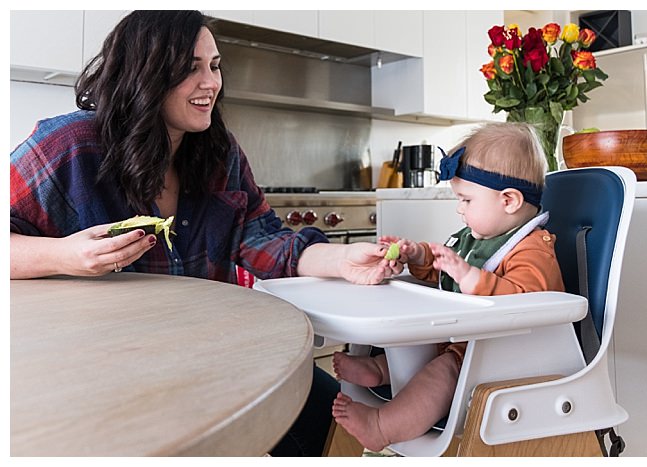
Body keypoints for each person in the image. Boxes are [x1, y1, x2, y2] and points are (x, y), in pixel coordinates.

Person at [9, 11, 402, 456]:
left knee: (339, 428)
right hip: (99, 371)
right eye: (191, 68)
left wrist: (343, 261)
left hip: (217, 354)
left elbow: (262, 238)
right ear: (145, 72)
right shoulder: (68, 147)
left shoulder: (219, 151)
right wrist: (65, 256)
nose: (210, 82)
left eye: (214, 66)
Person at [331, 122, 566, 452]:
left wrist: (470, 278)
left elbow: (526, 301)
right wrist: (418, 254)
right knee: (425, 342)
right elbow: (441, 269)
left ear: (509, 200)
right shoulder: (479, 238)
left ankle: (382, 426)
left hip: (506, 355)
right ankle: (380, 369)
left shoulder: (532, 248)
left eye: (466, 200)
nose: (460, 208)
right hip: (464, 340)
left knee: (441, 371)